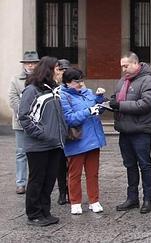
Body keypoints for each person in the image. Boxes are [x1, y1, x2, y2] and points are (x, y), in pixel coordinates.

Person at [18, 56, 67, 226]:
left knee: (49, 180)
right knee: (37, 180)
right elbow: (23, 117)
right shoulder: (32, 90)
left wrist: (63, 133)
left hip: (55, 144)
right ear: (49, 70)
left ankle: (45, 211)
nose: (60, 72)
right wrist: (41, 134)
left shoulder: (53, 89)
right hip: (38, 145)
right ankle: (34, 214)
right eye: (57, 69)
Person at [110, 52, 151, 214]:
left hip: (141, 131)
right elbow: (116, 98)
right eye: (122, 66)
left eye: (126, 66)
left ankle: (147, 199)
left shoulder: (148, 81)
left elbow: (146, 104)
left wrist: (120, 105)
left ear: (136, 63)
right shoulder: (123, 81)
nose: (124, 69)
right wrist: (109, 102)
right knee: (129, 165)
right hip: (124, 130)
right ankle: (132, 198)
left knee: (144, 165)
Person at [59, 68, 107, 215]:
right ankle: (75, 201)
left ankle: (94, 200)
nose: (80, 84)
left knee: (93, 173)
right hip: (76, 140)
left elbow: (98, 108)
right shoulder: (63, 96)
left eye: (81, 80)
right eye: (76, 81)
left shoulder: (88, 93)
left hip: (93, 138)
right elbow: (69, 118)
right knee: (75, 174)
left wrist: (99, 99)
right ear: (67, 83)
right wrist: (89, 111)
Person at [9, 51, 40, 194]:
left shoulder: (41, 79)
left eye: (33, 63)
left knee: (37, 153)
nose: (30, 65)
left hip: (38, 122)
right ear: (24, 64)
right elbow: (12, 99)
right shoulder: (16, 80)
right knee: (21, 153)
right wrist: (24, 113)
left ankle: (37, 181)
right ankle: (21, 182)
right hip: (20, 123)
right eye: (28, 63)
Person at [55, 59, 71, 205]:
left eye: (65, 70)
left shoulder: (73, 87)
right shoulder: (53, 88)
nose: (62, 73)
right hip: (58, 131)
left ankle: (71, 190)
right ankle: (62, 192)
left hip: (70, 130)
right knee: (60, 164)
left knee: (72, 164)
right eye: (60, 70)